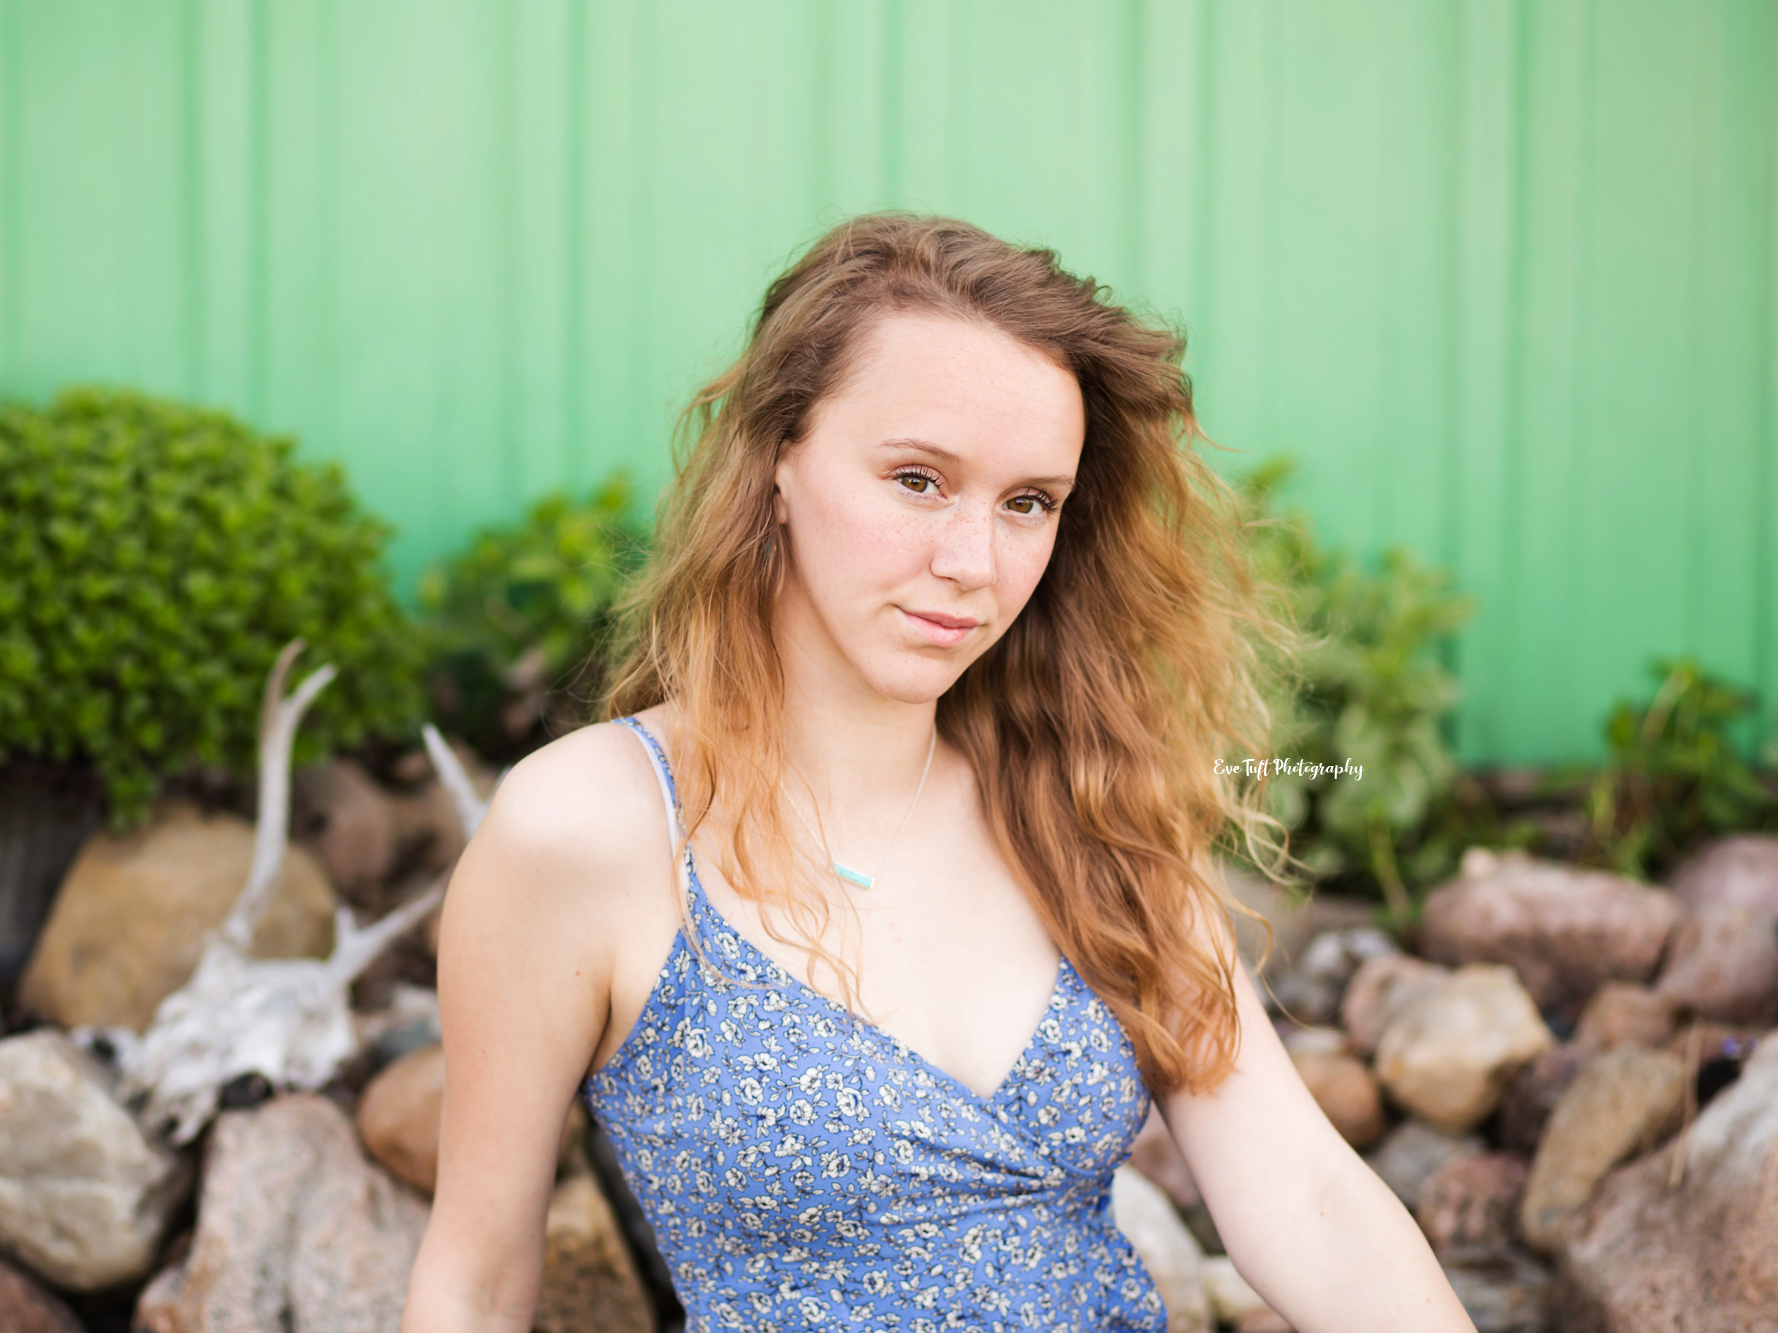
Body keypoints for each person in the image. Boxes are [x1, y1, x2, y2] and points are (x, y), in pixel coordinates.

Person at [401, 213, 1473, 1332]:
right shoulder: (587, 828)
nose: (971, 565)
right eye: (917, 479)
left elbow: (1306, 1198)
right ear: (778, 459)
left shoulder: (1081, 804)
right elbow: (472, 1285)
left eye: (1026, 503)